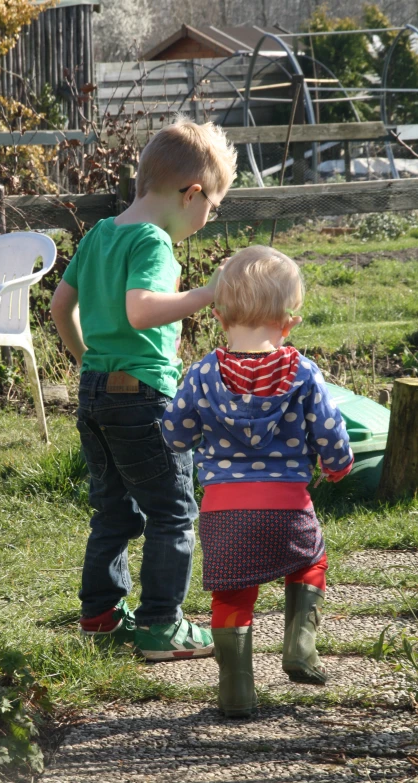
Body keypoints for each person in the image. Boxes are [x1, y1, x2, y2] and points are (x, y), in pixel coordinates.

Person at [51, 117, 237, 662]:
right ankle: (161, 625)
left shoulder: (101, 234)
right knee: (173, 512)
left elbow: (62, 306)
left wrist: (88, 360)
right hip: (143, 398)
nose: (208, 219)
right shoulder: (153, 242)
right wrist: (207, 292)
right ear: (192, 192)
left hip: (95, 395)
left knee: (113, 509)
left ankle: (102, 615)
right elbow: (141, 311)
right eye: (213, 207)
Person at [162, 245, 354, 715]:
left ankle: (235, 694)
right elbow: (329, 430)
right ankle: (300, 647)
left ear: (222, 317)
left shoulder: (202, 372)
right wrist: (338, 465)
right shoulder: (303, 372)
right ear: (288, 321)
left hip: (224, 510)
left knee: (232, 594)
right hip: (287, 505)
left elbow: (175, 432)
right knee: (310, 561)